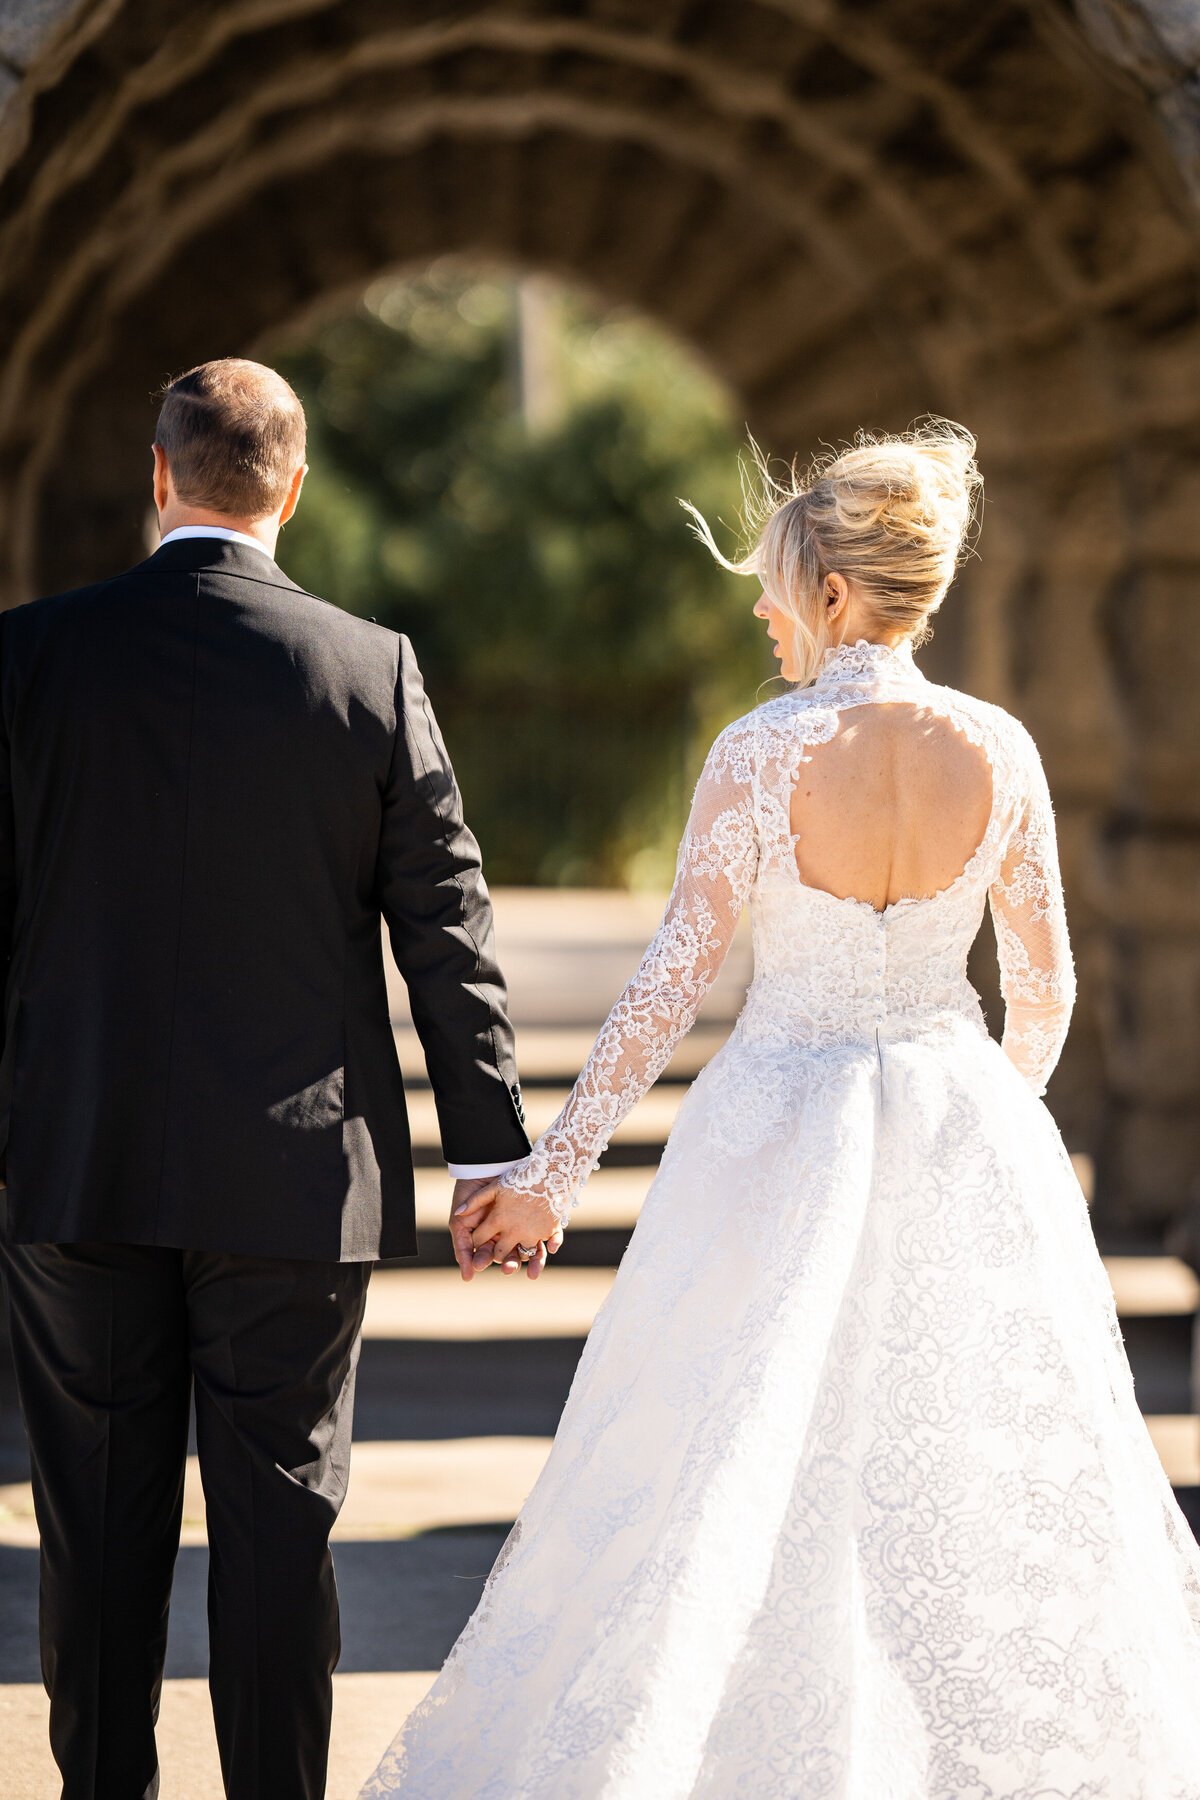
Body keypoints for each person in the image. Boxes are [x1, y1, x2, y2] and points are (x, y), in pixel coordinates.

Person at [361, 423, 1200, 1797]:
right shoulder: (1003, 750)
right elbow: (1043, 988)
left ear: (830, 594)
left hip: (773, 1133)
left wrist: (552, 1174)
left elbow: (670, 986)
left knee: (722, 1459)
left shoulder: (759, 753)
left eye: (772, 578)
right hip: (955, 1117)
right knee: (959, 1477)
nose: (757, 602)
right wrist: (994, 1126)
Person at [0, 358, 552, 1800]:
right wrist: (493, 1156)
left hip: (75, 1163)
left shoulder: (30, 658)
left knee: (96, 1539)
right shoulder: (369, 670)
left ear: (160, 477)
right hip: (296, 1185)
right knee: (279, 1539)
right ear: (291, 492)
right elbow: (446, 921)